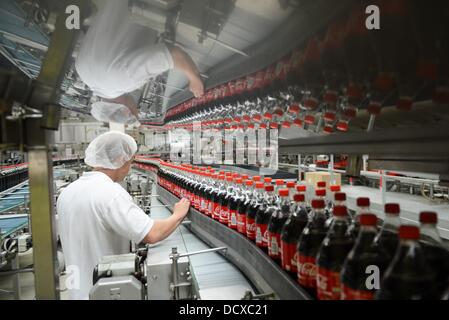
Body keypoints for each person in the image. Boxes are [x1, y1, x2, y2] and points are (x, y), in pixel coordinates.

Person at [57, 131, 190, 299]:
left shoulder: (67, 192)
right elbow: (152, 233)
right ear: (121, 159)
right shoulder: (110, 193)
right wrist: (178, 215)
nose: (130, 168)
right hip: (106, 291)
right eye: (130, 161)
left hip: (78, 291)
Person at [75, 0, 204, 125]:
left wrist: (194, 79)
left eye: (136, 111)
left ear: (127, 111)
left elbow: (175, 55)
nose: (137, 108)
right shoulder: (82, 70)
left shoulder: (124, 80)